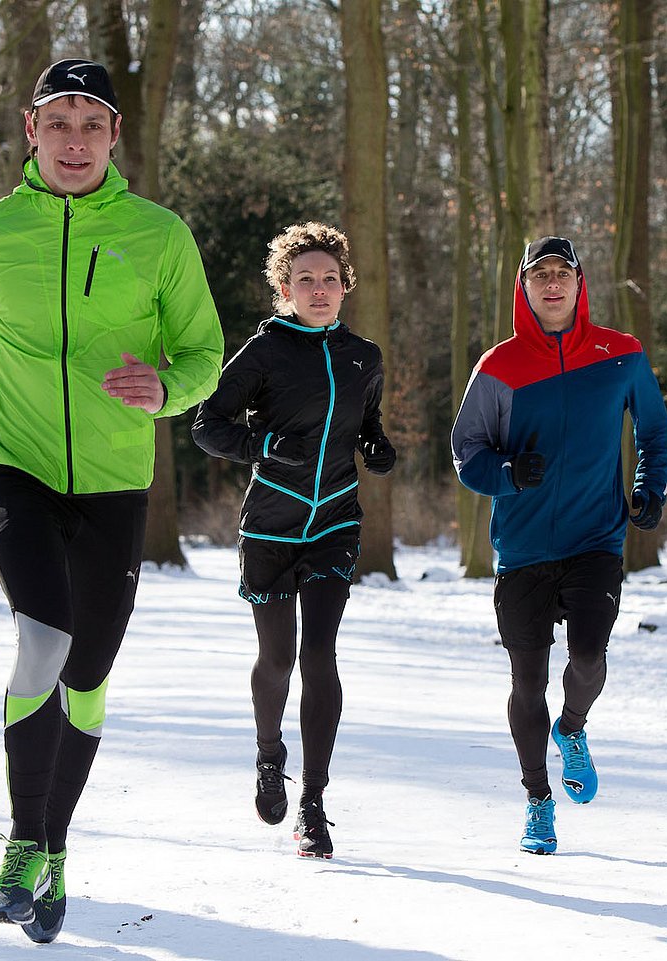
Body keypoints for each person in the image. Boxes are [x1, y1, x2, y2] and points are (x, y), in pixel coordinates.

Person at [0, 58, 224, 940]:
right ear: (30, 130)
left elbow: (205, 355)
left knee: (87, 676)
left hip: (114, 481)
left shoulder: (159, 234)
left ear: (114, 137)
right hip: (15, 466)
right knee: (41, 640)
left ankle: (55, 848)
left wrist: (165, 389)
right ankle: (24, 844)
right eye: (56, 122)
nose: (72, 140)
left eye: (89, 123)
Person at [450, 236, 667, 855]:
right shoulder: (498, 366)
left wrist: (649, 490)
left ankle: (571, 727)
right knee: (527, 679)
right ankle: (537, 800)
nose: (552, 284)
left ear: (580, 283)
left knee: (590, 654)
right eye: (539, 274)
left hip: (595, 537)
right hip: (521, 548)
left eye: (562, 274)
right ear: (523, 286)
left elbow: (653, 429)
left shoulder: (621, 355)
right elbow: (467, 453)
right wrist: (509, 474)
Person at [191, 222, 396, 859]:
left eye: (330, 279)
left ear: (345, 288)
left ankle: (314, 803)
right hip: (271, 527)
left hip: (335, 520)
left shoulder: (364, 356)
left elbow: (366, 422)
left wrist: (377, 446)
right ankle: (268, 756)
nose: (319, 289)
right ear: (284, 289)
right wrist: (263, 446)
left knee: (321, 659)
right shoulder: (264, 351)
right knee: (278, 659)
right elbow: (207, 425)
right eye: (305, 279)